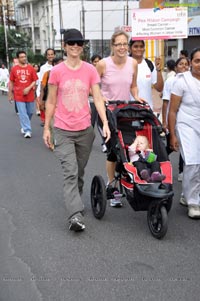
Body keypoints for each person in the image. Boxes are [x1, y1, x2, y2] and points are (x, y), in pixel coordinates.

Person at [43, 28, 110, 232]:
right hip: (62, 129)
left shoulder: (90, 70)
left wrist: (105, 123)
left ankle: (75, 200)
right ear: (64, 46)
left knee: (79, 171)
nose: (75, 46)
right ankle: (75, 215)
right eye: (71, 43)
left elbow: (97, 98)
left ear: (83, 47)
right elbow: (51, 101)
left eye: (79, 43)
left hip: (85, 130)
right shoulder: (56, 71)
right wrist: (47, 127)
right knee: (70, 172)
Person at [96, 30, 142, 207]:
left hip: (124, 112)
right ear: (112, 46)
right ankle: (112, 184)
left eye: (124, 44)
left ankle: (127, 179)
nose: (122, 47)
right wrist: (101, 96)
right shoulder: (102, 64)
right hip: (106, 113)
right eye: (118, 44)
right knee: (114, 151)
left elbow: (134, 86)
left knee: (129, 147)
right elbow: (93, 85)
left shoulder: (133, 63)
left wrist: (136, 97)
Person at [168, 47, 200, 219]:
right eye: (197, 61)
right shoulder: (182, 81)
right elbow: (172, 110)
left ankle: (186, 194)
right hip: (187, 124)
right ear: (190, 62)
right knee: (193, 161)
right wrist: (172, 134)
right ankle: (193, 201)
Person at [162, 57, 190, 183]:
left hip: (187, 120)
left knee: (186, 146)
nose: (184, 66)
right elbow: (165, 102)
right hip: (172, 119)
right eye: (181, 64)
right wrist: (165, 121)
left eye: (186, 64)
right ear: (176, 67)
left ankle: (182, 171)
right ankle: (159, 162)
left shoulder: (192, 81)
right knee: (171, 146)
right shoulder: (171, 81)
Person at [8, 50, 38, 138]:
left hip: (30, 94)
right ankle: (27, 130)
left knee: (30, 112)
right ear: (18, 58)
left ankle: (25, 125)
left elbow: (34, 80)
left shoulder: (30, 68)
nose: (24, 58)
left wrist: (28, 88)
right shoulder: (14, 69)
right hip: (18, 94)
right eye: (21, 57)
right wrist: (10, 94)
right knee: (22, 112)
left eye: (25, 56)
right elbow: (11, 82)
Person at [129, 39, 163, 110]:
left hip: (147, 110)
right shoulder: (124, 64)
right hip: (129, 110)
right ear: (130, 49)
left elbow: (159, 88)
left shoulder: (150, 64)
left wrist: (159, 70)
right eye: (136, 46)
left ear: (144, 49)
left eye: (141, 46)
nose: (139, 49)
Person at [39, 48, 56, 126]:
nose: (50, 56)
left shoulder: (59, 66)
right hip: (48, 95)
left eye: (52, 54)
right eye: (48, 55)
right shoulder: (43, 68)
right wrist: (41, 99)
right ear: (46, 56)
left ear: (54, 55)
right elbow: (42, 84)